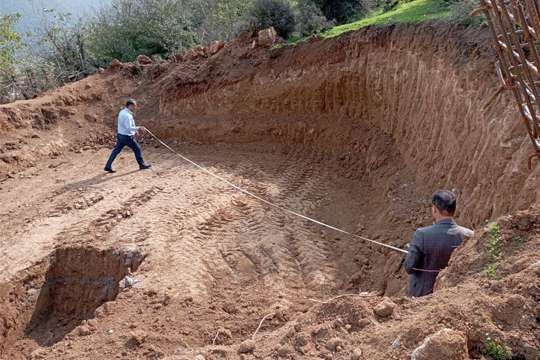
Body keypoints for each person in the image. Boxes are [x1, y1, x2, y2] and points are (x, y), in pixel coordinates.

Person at [404, 190, 473, 297]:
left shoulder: (422, 234)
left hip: (423, 297)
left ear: (435, 210)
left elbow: (409, 267)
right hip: (456, 296)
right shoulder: (469, 235)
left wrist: (410, 253)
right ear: (454, 209)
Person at [104, 99, 151, 173]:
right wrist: (139, 128)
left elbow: (129, 125)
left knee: (116, 151)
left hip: (121, 135)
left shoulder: (122, 112)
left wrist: (135, 131)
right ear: (130, 106)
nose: (135, 108)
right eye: (134, 106)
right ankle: (141, 165)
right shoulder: (127, 115)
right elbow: (128, 127)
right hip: (126, 136)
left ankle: (108, 165)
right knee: (137, 148)